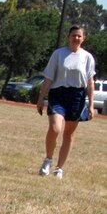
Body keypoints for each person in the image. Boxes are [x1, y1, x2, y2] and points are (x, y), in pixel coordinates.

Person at [36, 26, 96, 179]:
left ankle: (59, 168)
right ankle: (48, 159)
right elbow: (49, 77)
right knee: (55, 128)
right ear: (68, 37)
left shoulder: (87, 57)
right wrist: (41, 98)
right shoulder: (58, 54)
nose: (76, 38)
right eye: (73, 35)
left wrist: (90, 105)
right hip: (58, 94)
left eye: (79, 36)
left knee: (68, 134)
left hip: (77, 96)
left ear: (83, 38)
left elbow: (90, 82)